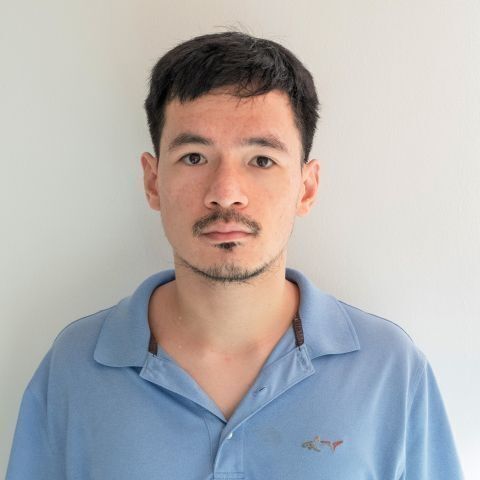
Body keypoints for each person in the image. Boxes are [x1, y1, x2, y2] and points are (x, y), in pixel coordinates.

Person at [7, 31, 463, 479]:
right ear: (153, 181)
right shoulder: (75, 366)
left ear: (306, 188)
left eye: (262, 159)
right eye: (194, 157)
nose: (225, 193)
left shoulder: (388, 369)